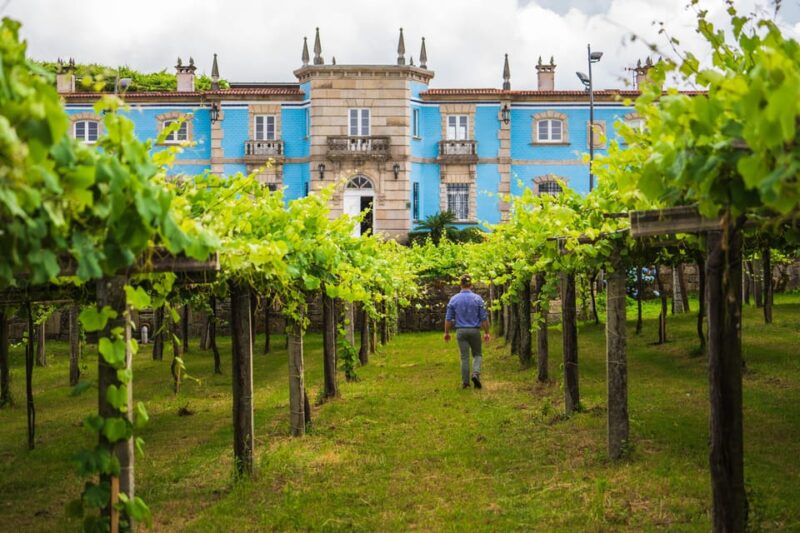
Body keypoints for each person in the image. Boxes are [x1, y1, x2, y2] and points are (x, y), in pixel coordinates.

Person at [444, 275, 490, 389]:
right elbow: (483, 318)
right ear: (471, 285)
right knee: (477, 354)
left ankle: (465, 383)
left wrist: (447, 333)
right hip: (474, 331)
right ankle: (475, 373)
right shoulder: (477, 299)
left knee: (464, 357)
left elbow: (448, 319)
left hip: (461, 331)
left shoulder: (454, 299)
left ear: (460, 284)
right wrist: (486, 332)